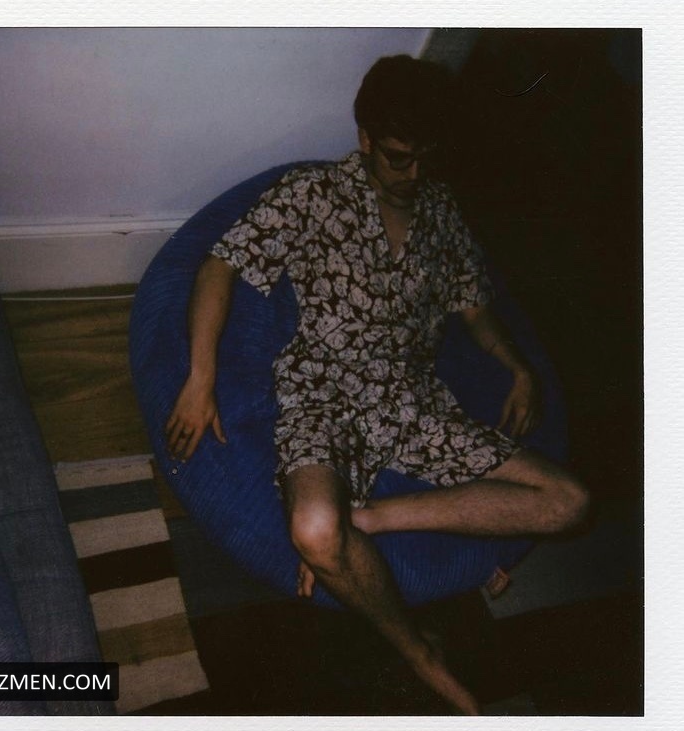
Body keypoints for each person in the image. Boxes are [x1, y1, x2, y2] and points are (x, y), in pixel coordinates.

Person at [165, 55, 589, 715]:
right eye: (398, 158)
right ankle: (419, 651)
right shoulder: (313, 192)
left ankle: (369, 519)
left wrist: (519, 366)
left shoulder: (441, 210)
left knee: (569, 501)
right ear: (365, 138)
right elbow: (220, 264)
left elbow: (476, 309)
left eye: (427, 158)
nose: (413, 175)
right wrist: (200, 377)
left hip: (414, 402)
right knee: (313, 527)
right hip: (322, 391)